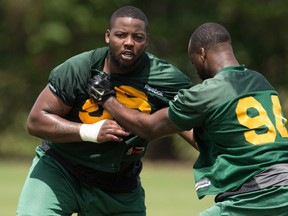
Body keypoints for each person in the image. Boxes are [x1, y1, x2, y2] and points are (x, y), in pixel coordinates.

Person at [92, 22, 288, 215]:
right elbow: (219, 139)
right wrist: (179, 117)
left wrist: (107, 98)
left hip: (257, 195)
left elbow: (148, 128)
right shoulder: (261, 82)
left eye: (193, 62)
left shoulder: (207, 92)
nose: (195, 70)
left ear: (202, 53)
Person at [16, 5, 194, 216]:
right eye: (121, 35)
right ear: (108, 36)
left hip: (118, 185)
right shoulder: (80, 68)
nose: (129, 42)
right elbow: (36, 121)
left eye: (137, 37)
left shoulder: (166, 79)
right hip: (61, 170)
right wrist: (90, 132)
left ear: (146, 40)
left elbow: (194, 126)